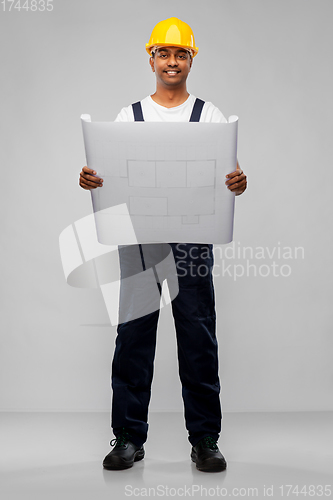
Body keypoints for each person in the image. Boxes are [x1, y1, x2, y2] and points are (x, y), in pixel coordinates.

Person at [79, 17, 247, 473]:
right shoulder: (128, 116)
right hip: (138, 241)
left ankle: (205, 439)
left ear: (192, 59)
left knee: (198, 338)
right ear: (151, 58)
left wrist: (238, 181)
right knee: (133, 337)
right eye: (164, 54)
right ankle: (129, 438)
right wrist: (91, 179)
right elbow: (108, 176)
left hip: (192, 240)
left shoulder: (209, 115)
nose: (172, 62)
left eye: (181, 54)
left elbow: (228, 178)